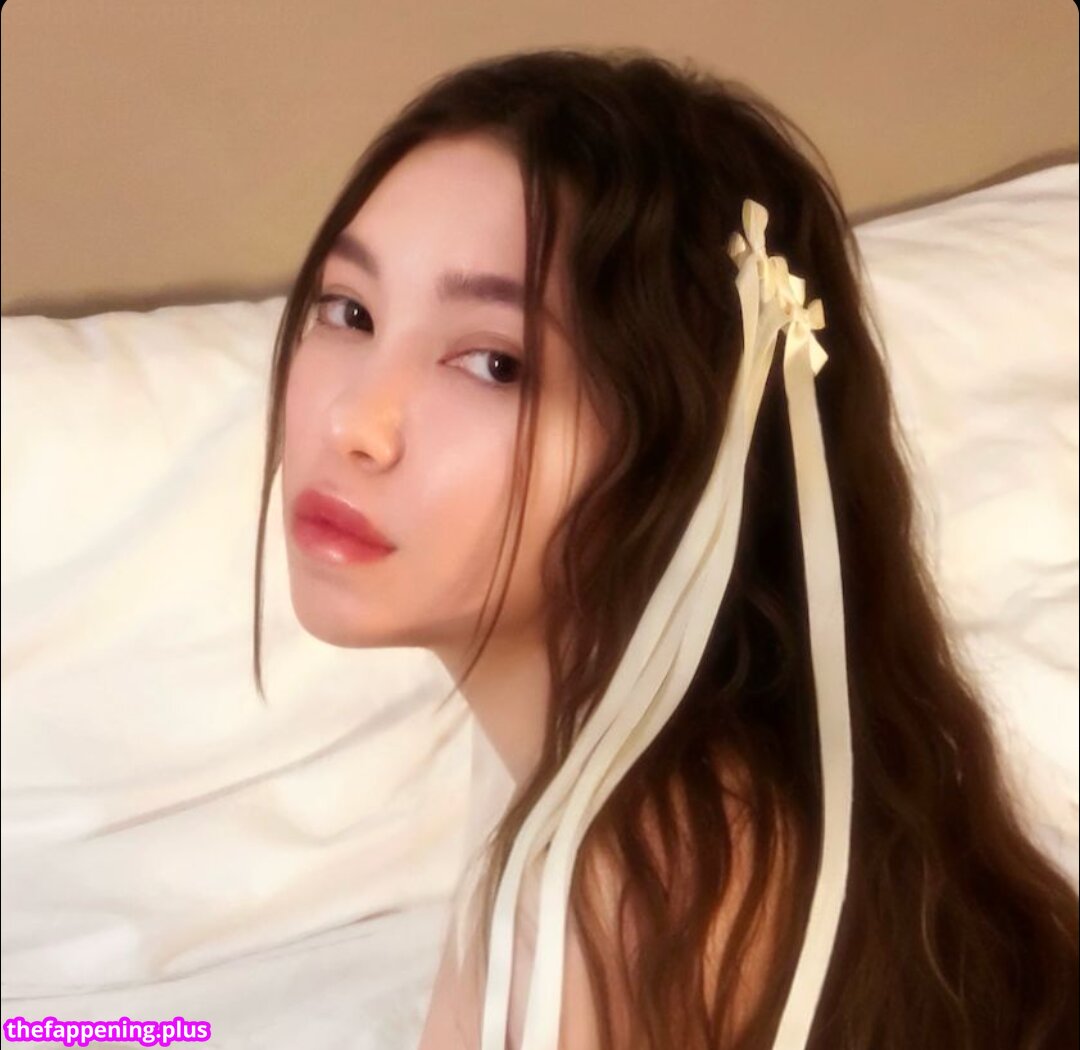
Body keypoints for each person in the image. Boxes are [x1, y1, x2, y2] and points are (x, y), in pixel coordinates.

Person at [251, 47, 1079, 1050]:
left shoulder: (634, 906)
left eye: (494, 364)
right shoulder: (622, 796)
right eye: (349, 311)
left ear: (688, 443)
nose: (354, 423)